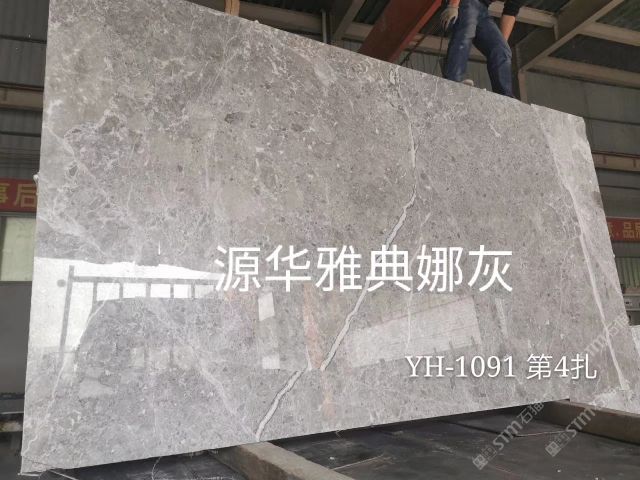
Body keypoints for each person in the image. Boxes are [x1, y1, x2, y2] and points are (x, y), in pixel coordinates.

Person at [440, 0, 523, 97]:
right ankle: (453, 80)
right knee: (467, 29)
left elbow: (511, 10)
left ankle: (505, 96)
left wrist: (500, 45)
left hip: (483, 9)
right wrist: (453, 5)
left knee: (502, 49)